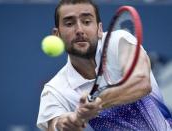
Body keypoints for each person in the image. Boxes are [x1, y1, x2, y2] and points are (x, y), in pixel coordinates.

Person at [37, 0, 172, 131]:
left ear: (99, 29)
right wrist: (67, 123)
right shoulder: (54, 90)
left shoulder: (118, 42)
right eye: (69, 23)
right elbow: (55, 124)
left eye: (86, 22)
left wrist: (99, 102)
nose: (79, 30)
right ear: (57, 34)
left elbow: (141, 83)